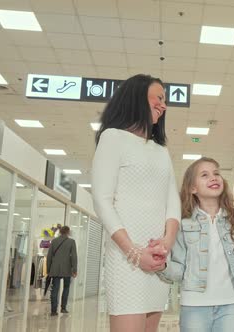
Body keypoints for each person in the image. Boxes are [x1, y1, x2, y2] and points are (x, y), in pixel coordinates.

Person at [92, 74, 180, 332]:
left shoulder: (161, 150)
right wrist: (133, 252)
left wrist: (166, 244)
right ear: (136, 98)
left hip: (156, 260)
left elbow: (172, 205)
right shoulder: (113, 138)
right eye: (159, 98)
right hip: (126, 261)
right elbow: (102, 201)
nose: (163, 106)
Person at [157, 157, 234, 332]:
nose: (214, 178)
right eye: (205, 175)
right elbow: (179, 269)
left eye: (216, 173)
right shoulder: (183, 224)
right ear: (193, 188)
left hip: (230, 303)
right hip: (194, 305)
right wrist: (162, 265)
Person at [47, 226, 77, 316]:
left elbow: (49, 256)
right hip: (67, 269)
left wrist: (49, 269)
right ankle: (63, 308)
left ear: (60, 232)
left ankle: (53, 310)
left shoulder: (54, 241)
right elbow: (74, 257)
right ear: (68, 232)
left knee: (55, 289)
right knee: (66, 288)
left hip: (55, 268)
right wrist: (74, 269)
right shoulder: (71, 242)